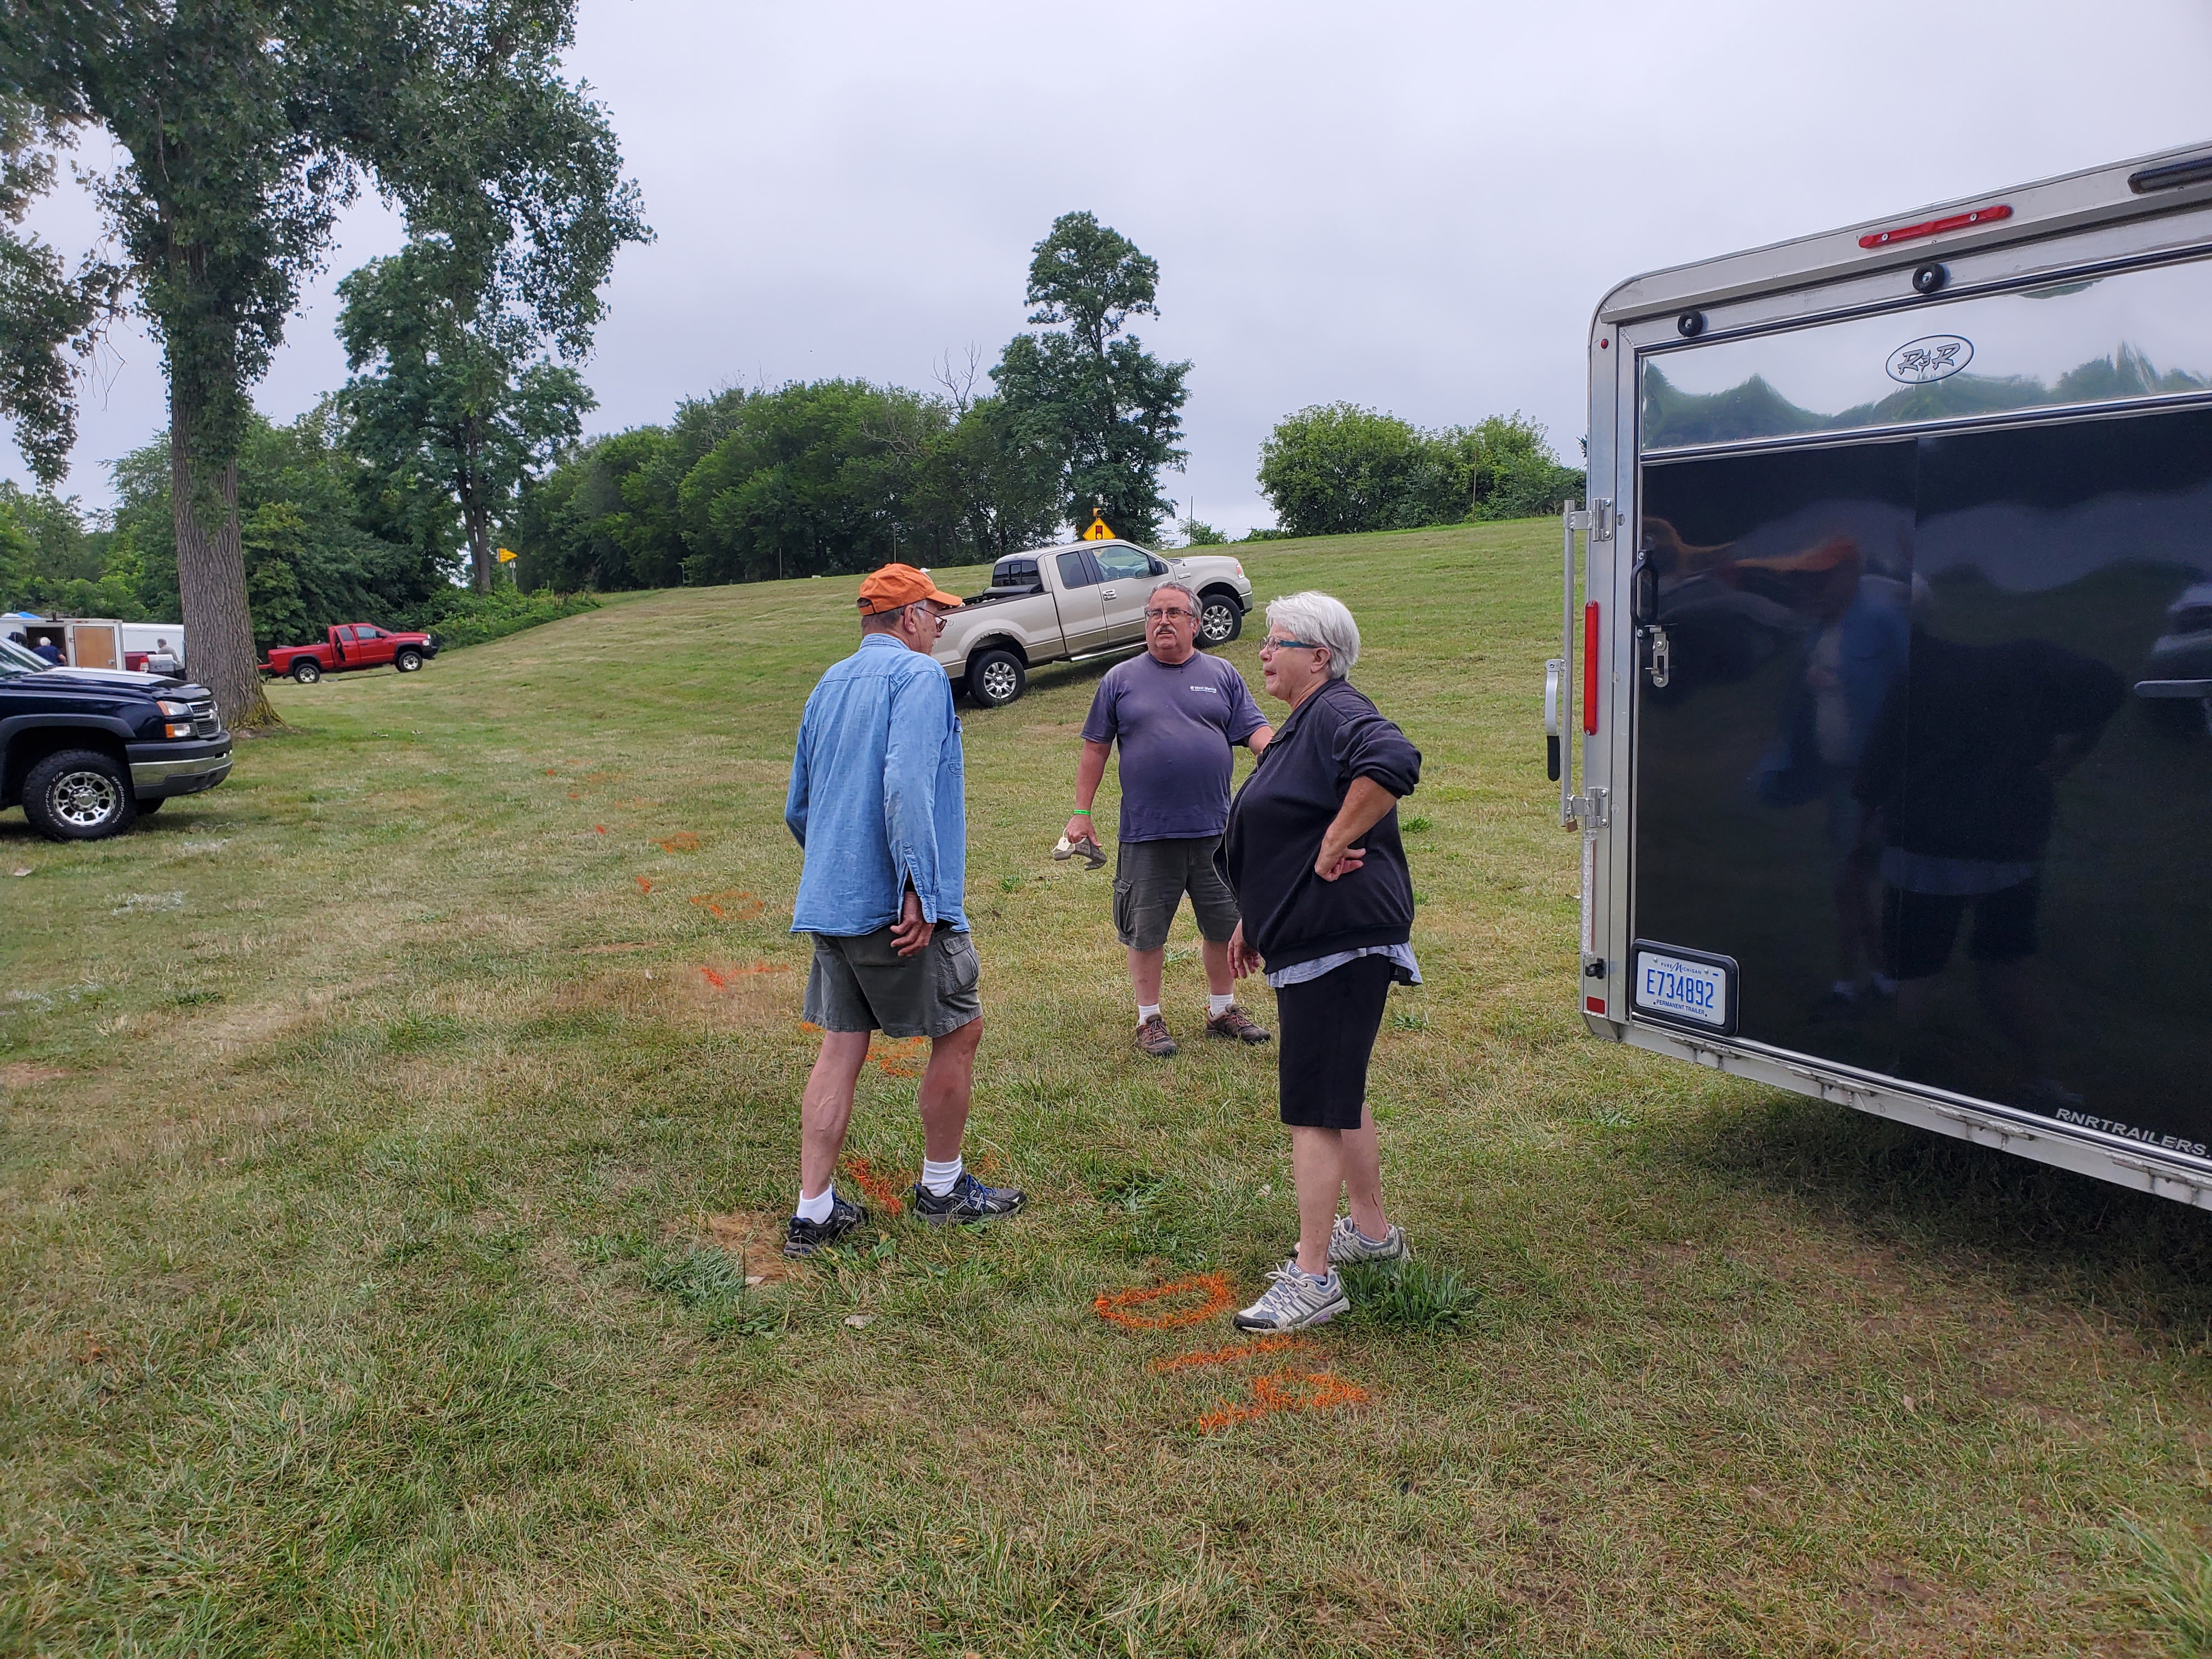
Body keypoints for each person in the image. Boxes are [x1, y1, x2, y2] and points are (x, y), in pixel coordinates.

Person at [782, 562, 1027, 1257]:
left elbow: (799, 806)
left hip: (830, 902)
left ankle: (813, 1212)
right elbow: (907, 782)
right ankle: (942, 1190)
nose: (942, 625)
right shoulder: (918, 677)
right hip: (897, 905)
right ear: (909, 617)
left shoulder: (828, 683)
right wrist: (915, 884)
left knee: (841, 1044)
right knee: (961, 1028)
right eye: (936, 613)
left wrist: (838, 867)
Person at [1220, 591, 1422, 1331]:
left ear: (1320, 656)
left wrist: (1338, 842)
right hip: (1314, 935)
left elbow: (1394, 760)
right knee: (1339, 1089)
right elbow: (1288, 827)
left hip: (1341, 940)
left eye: (1277, 641)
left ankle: (1313, 1278)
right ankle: (1371, 1234)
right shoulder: (1304, 723)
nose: (1263, 652)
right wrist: (1258, 916)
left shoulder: (1336, 708)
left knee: (1312, 1105)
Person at [1066, 579, 1274, 1057]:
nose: (1163, 621)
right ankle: (1149, 1019)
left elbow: (1254, 731)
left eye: (1174, 613)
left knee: (1223, 924)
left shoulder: (1221, 674)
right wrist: (1081, 813)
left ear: (1195, 623)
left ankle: (1222, 1010)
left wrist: (1283, 755)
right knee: (1145, 930)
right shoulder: (1120, 679)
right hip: (1147, 832)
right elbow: (1095, 749)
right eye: (1154, 613)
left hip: (1216, 832)